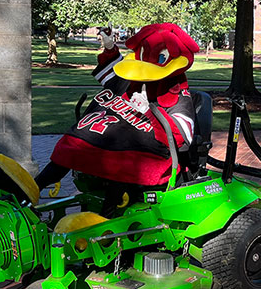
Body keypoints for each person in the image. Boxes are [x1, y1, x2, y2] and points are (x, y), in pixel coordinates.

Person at [34, 23, 199, 216]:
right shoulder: (132, 79)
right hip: (108, 136)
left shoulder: (177, 95)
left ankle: (105, 223)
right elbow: (112, 74)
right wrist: (110, 48)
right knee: (72, 144)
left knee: (121, 162)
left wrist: (150, 113)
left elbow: (182, 134)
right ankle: (30, 191)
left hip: (149, 153)